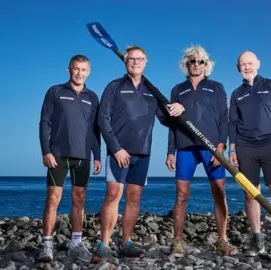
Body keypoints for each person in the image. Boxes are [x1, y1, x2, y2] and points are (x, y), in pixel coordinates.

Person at [92, 45, 185, 262]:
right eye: (131, 59)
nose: (135, 62)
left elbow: (167, 120)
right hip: (119, 152)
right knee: (114, 195)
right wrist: (116, 148)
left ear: (145, 62)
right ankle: (103, 244)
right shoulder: (114, 87)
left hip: (143, 152)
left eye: (139, 59)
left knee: (134, 199)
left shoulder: (152, 91)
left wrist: (179, 109)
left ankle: (126, 242)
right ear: (125, 62)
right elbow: (102, 120)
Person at [165, 45, 238, 257]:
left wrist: (221, 147)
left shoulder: (217, 87)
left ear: (207, 65)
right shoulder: (178, 90)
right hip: (185, 147)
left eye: (201, 61)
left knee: (219, 192)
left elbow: (224, 119)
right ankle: (177, 241)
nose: (196, 65)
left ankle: (222, 239)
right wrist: (171, 150)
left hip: (211, 148)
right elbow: (173, 123)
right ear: (186, 65)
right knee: (181, 196)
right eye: (192, 61)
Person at [228, 51, 271, 261]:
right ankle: (257, 241)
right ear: (238, 68)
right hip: (245, 148)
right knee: (250, 194)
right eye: (242, 64)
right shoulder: (236, 94)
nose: (246, 67)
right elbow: (232, 123)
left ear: (258, 64)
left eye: (250, 63)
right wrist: (232, 149)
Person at [38, 55, 102, 263]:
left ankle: (76, 244)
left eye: (83, 70)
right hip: (57, 154)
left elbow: (94, 129)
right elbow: (45, 121)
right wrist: (46, 151)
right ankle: (47, 244)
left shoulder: (92, 97)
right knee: (53, 199)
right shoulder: (55, 91)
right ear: (69, 70)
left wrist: (98, 155)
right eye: (76, 69)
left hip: (82, 156)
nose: (79, 73)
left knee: (79, 200)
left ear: (89, 72)